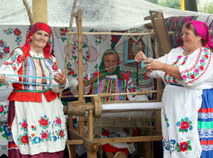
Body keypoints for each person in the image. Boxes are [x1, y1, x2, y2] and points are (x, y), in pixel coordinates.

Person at [135, 20, 213, 158]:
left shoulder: (205, 55)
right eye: (182, 33)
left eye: (187, 34)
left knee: (193, 143)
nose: (182, 37)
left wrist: (163, 67)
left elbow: (191, 77)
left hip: (194, 106)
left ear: (199, 36)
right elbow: (155, 70)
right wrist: (145, 61)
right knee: (175, 144)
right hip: (174, 110)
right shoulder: (176, 52)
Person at [0, 22, 68, 158]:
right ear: (31, 35)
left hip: (48, 107)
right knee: (26, 143)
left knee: (49, 143)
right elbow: (8, 70)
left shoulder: (50, 59)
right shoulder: (20, 53)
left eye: (46, 35)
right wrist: (4, 76)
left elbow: (55, 87)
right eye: (39, 34)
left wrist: (61, 83)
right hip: (25, 105)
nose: (42, 38)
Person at [70, 49, 147, 157]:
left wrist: (144, 102)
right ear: (103, 62)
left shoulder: (125, 79)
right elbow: (77, 86)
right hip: (97, 119)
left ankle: (117, 154)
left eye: (113, 61)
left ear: (117, 63)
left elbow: (137, 95)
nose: (110, 64)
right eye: (108, 61)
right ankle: (110, 154)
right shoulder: (94, 77)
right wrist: (77, 85)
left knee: (121, 136)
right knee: (99, 136)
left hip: (119, 120)